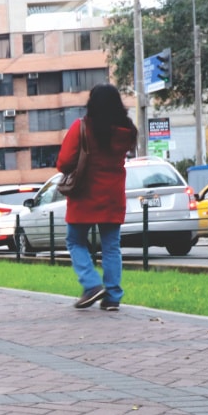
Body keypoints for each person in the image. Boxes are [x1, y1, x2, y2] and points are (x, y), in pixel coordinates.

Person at [56, 83, 138, 312]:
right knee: (111, 247)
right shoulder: (127, 132)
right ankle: (112, 297)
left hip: (84, 194)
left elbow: (63, 163)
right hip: (112, 196)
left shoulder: (82, 128)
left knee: (75, 241)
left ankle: (92, 284)